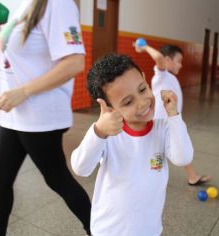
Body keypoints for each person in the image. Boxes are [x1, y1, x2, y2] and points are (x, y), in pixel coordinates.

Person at [0, 0, 92, 235]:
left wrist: (24, 92)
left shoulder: (58, 4)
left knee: (57, 179)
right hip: (14, 115)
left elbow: (74, 62)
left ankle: (98, 229)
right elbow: (17, 53)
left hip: (39, 116)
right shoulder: (24, 6)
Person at [71, 54, 193, 236]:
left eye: (142, 90)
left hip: (148, 229)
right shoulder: (108, 133)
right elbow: (81, 168)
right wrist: (99, 131)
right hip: (108, 229)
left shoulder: (163, 128)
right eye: (128, 102)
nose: (143, 102)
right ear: (110, 109)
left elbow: (183, 157)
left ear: (144, 79)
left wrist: (174, 117)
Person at [134, 42, 211, 186]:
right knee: (156, 151)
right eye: (179, 61)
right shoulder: (161, 75)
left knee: (180, 146)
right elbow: (158, 57)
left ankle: (192, 176)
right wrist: (145, 47)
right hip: (160, 123)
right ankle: (150, 176)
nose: (181, 65)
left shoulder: (170, 77)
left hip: (170, 122)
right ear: (168, 60)